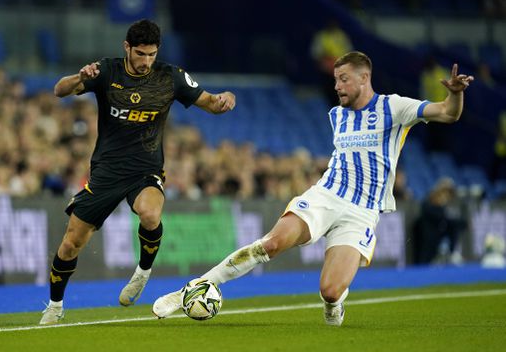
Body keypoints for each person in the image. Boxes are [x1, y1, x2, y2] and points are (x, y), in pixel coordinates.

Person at [153, 51, 473, 326]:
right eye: (335, 79)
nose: (336, 86)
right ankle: (193, 288)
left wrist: (455, 94)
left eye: (343, 79)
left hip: (361, 213)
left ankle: (334, 305)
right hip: (326, 196)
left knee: (331, 291)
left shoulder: (394, 107)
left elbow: (448, 112)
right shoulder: (338, 115)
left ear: (364, 78)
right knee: (273, 243)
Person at [40, 19, 236, 325]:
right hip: (106, 171)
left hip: (146, 169)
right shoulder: (107, 71)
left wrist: (225, 99)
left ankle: (143, 272)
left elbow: (211, 103)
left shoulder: (170, 77)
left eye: (152, 54)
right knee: (70, 244)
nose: (146, 61)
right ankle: (54, 306)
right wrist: (79, 76)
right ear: (127, 48)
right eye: (141, 54)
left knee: (150, 214)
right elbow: (59, 90)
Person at [310, 19, 353, 105]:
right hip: (327, 70)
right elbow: (316, 54)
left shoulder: (341, 36)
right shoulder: (322, 36)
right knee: (329, 92)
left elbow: (348, 51)